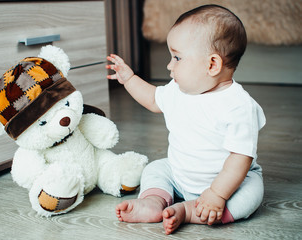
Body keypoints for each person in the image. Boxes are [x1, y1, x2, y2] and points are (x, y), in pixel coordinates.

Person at [106, 4, 266, 235]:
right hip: (180, 173)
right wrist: (129, 79)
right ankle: (153, 201)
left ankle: (190, 211)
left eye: (177, 57)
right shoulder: (177, 90)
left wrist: (217, 194)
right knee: (156, 168)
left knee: (251, 195)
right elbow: (152, 99)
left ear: (212, 64)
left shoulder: (238, 106)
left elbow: (240, 158)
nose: (169, 66)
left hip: (228, 184)